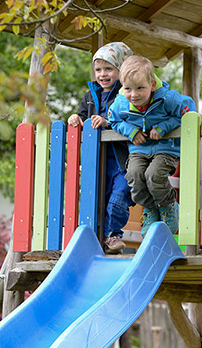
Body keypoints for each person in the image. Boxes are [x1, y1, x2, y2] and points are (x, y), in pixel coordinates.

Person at [108, 55, 196, 237]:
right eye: (128, 89)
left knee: (154, 175)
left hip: (165, 148)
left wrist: (164, 127)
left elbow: (190, 112)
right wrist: (131, 131)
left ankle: (168, 206)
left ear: (152, 85)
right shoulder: (121, 104)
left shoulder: (167, 99)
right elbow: (113, 120)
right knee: (134, 176)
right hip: (139, 150)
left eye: (140, 88)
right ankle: (150, 210)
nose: (134, 94)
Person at [68, 42, 134, 254]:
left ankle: (112, 234)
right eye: (98, 69)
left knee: (120, 195)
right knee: (98, 199)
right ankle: (98, 238)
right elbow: (84, 116)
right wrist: (77, 118)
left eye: (109, 69)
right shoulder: (90, 96)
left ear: (121, 70)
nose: (102, 74)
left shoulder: (126, 94)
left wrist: (108, 121)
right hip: (98, 161)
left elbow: (129, 117)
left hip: (122, 159)